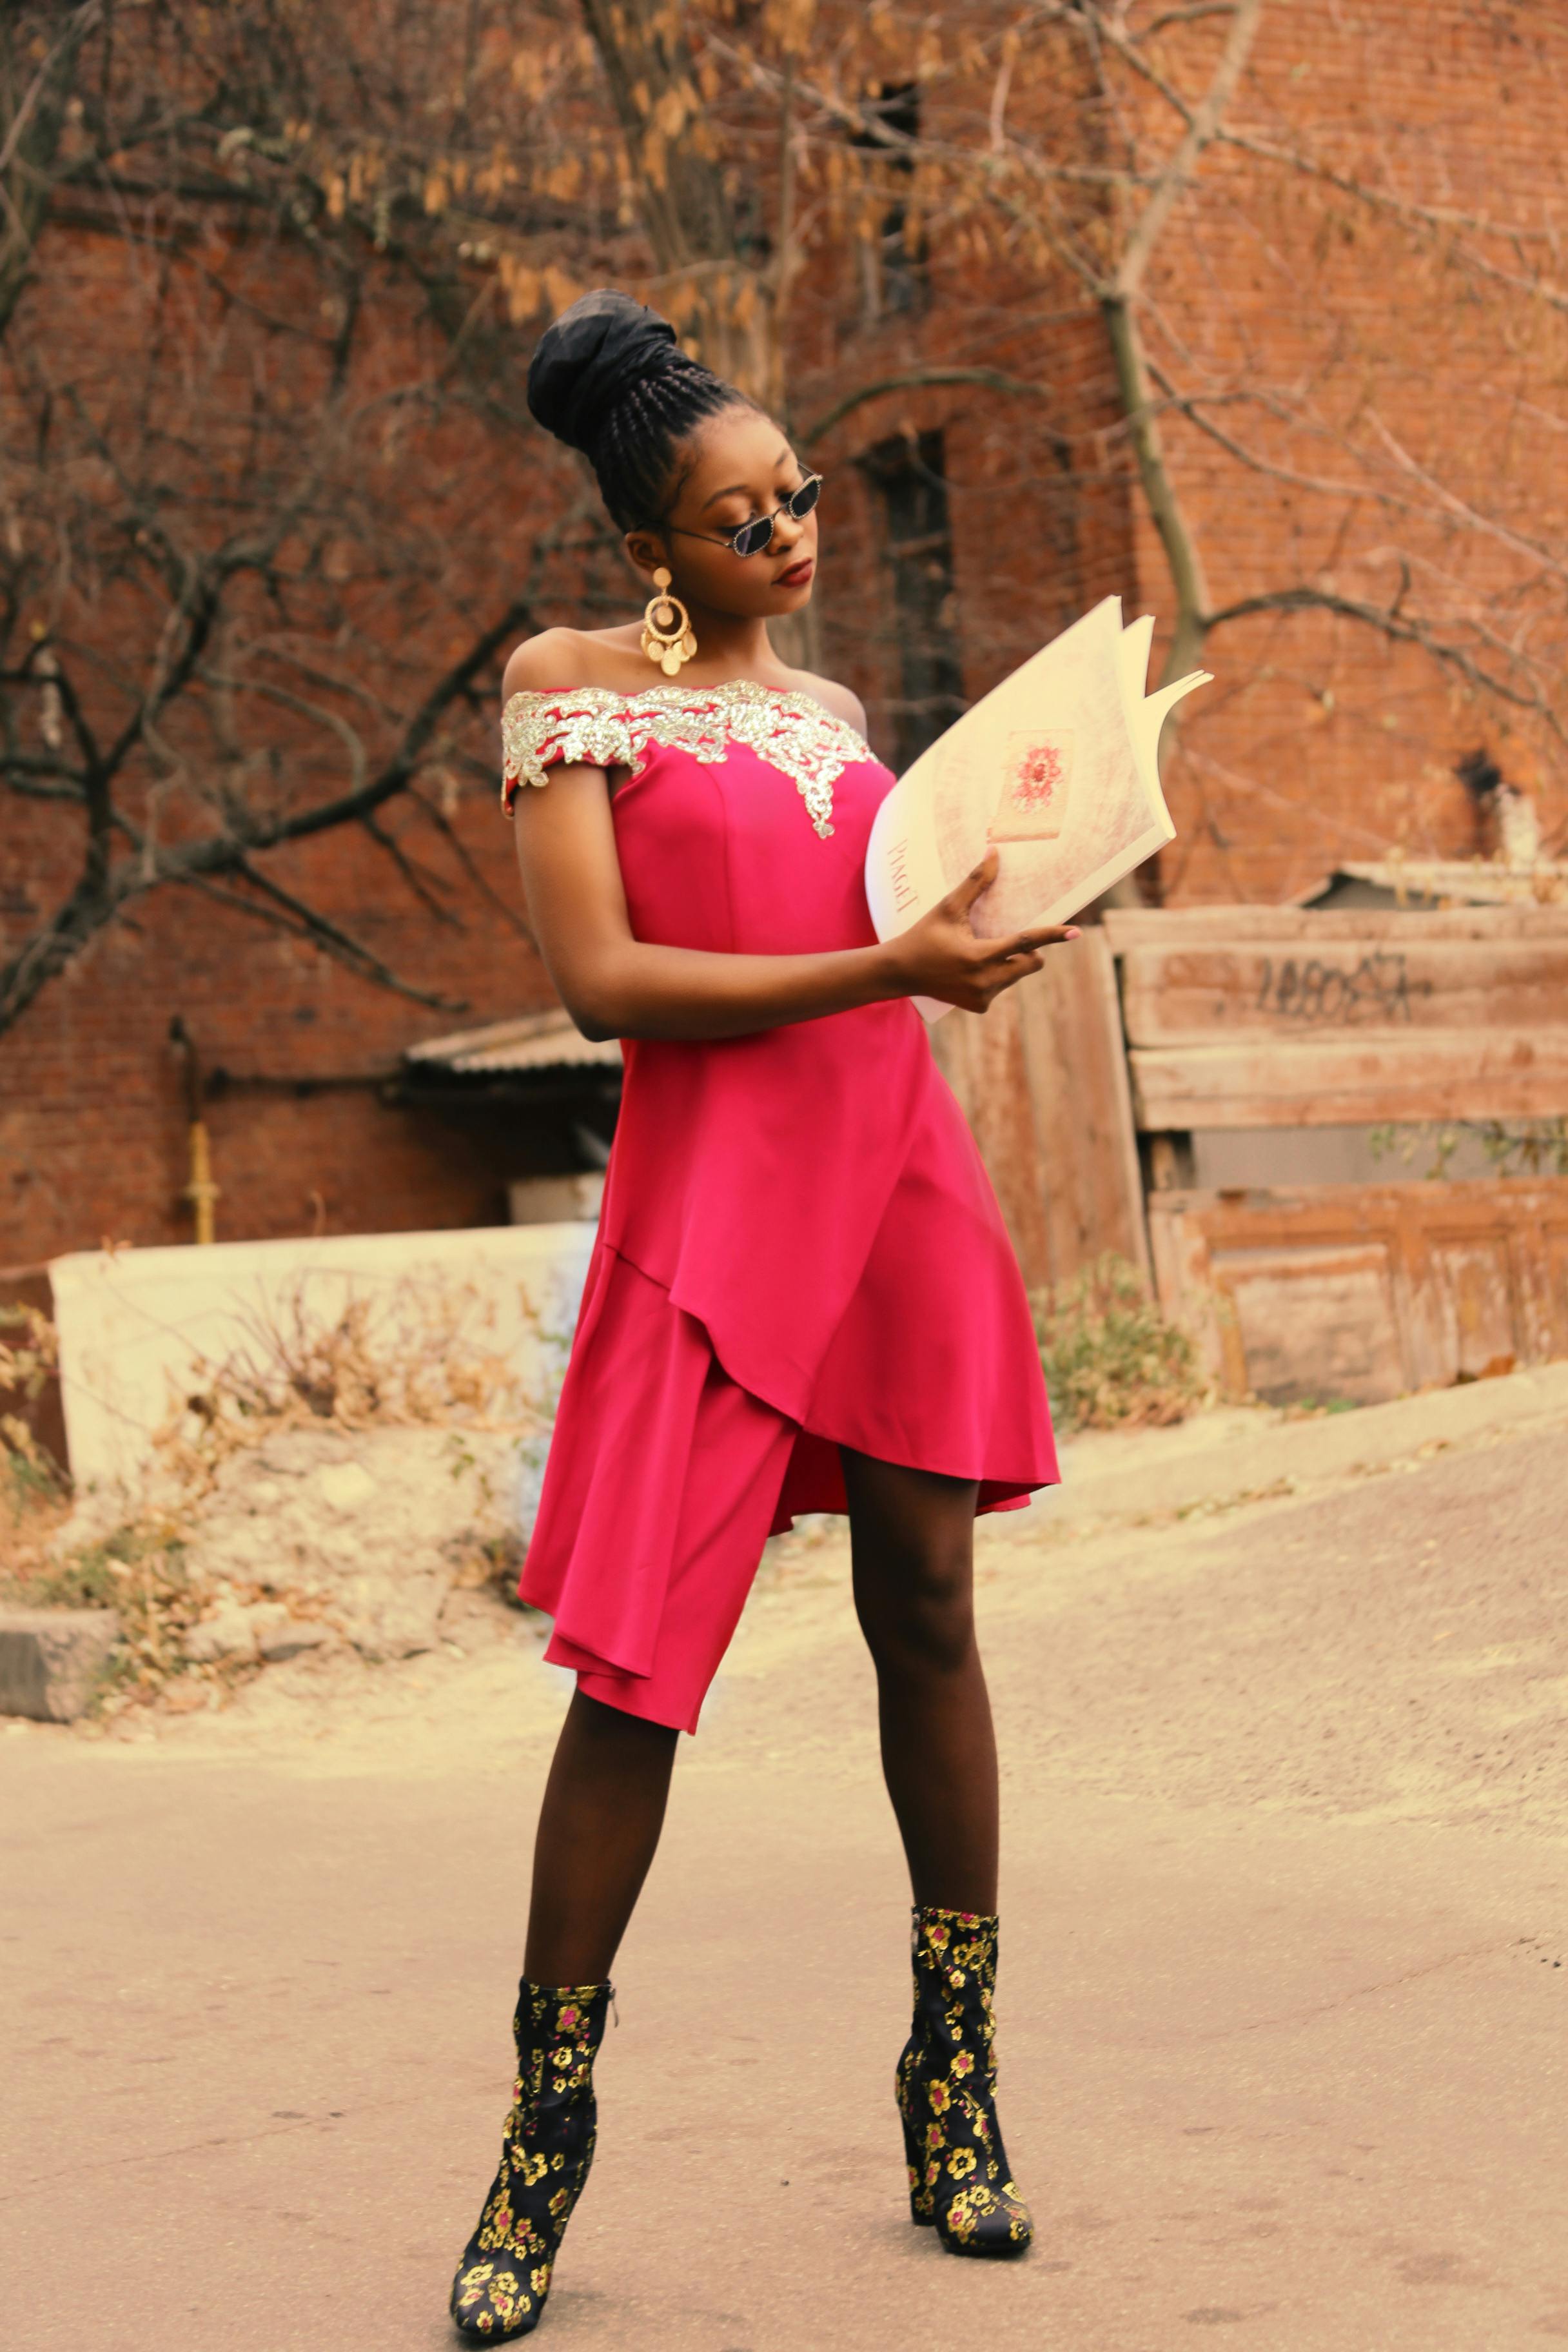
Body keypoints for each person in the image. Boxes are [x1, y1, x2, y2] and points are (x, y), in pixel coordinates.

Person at [448, 289, 1075, 2343]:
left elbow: (894, 938)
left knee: (932, 1617)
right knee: (633, 1680)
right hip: (711, 1221)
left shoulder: (833, 726)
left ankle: (955, 2083)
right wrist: (893, 970)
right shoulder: (568, 695)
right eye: (742, 519)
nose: (792, 535)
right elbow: (608, 990)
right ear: (650, 547)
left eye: (799, 495)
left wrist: (975, 930)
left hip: (895, 1188)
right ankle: (540, 2153)